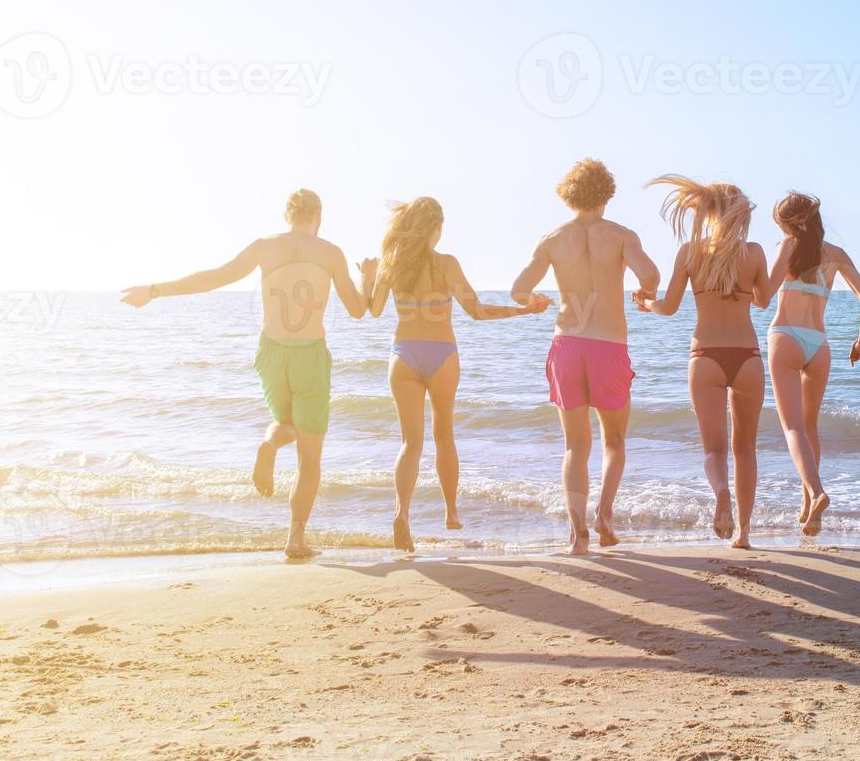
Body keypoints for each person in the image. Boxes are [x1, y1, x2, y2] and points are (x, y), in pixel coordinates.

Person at [120, 189, 371, 560]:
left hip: (270, 352)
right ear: (318, 215)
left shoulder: (263, 247)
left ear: (288, 215)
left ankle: (269, 444)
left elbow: (213, 278)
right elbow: (357, 310)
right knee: (309, 457)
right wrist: (370, 278)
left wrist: (154, 290)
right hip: (310, 357)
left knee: (283, 423)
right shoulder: (331, 253)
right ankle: (295, 539)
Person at [363, 197, 552, 552]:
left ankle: (402, 513)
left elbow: (372, 310)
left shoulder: (392, 264)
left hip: (403, 355)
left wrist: (367, 278)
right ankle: (450, 512)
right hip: (442, 355)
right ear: (436, 229)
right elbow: (478, 312)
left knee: (410, 443)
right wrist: (525, 312)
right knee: (444, 435)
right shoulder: (447, 264)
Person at [511, 159, 660, 556]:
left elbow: (518, 289)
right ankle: (604, 517)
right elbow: (651, 277)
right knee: (614, 441)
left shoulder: (553, 238)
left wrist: (535, 302)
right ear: (607, 194)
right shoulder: (622, 236)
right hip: (609, 347)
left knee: (575, 445)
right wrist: (643, 296)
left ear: (569, 194)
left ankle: (578, 535)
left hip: (567, 345)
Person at [636, 177, 771, 549]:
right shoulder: (755, 252)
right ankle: (743, 533)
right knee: (746, 449)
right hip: (747, 356)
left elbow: (669, 307)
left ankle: (721, 494)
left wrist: (646, 303)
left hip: (705, 355)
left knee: (714, 450)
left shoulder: (689, 252)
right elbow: (762, 301)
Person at [766, 192, 860, 537]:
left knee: (792, 427)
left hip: (785, 337)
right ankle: (809, 510)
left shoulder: (787, 248)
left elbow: (763, 295)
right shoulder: (837, 255)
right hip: (819, 345)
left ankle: (816, 492)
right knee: (809, 425)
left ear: (789, 224)